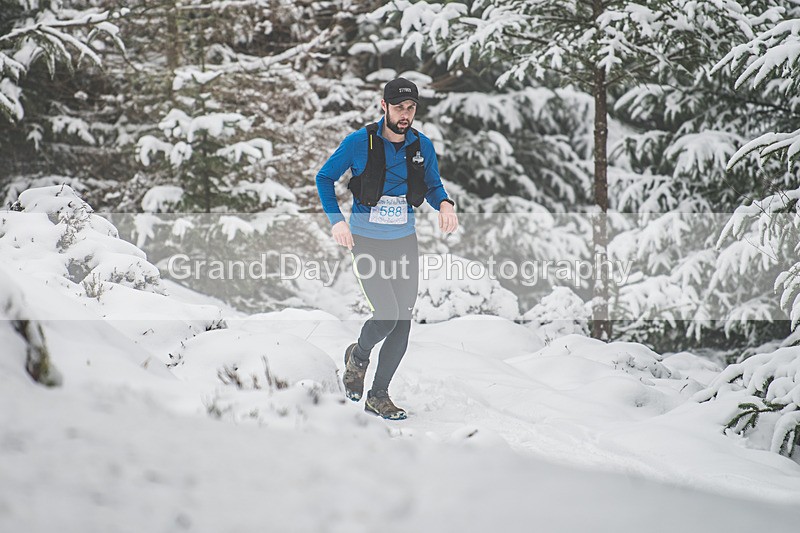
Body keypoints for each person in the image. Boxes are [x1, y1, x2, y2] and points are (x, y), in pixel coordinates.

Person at [315, 77, 458, 420]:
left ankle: (378, 395)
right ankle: (358, 358)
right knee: (387, 314)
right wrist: (336, 221)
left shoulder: (422, 145)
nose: (405, 114)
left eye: (411, 108)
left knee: (402, 320)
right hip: (366, 240)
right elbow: (324, 177)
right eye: (399, 107)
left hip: (404, 241)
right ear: (384, 106)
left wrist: (446, 204)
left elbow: (433, 185)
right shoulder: (358, 142)